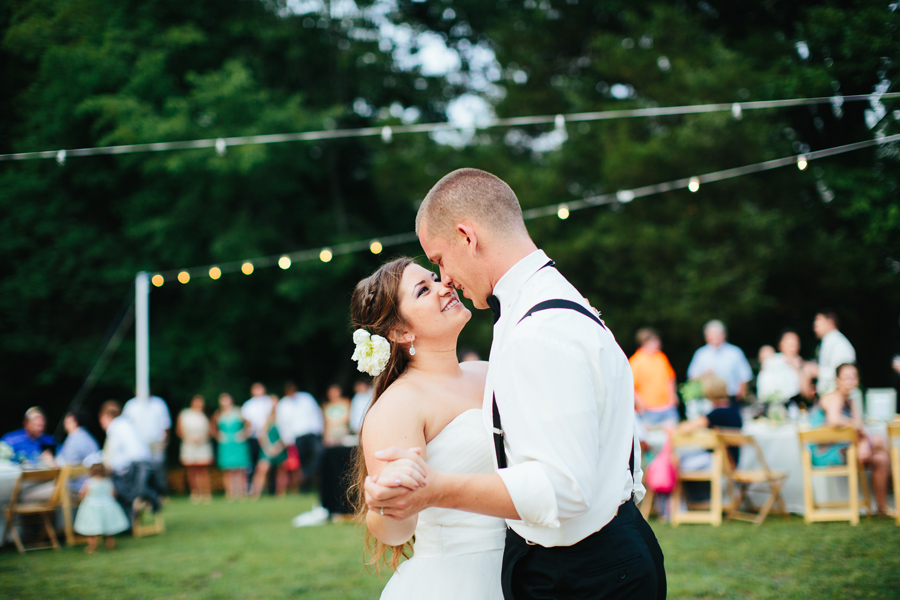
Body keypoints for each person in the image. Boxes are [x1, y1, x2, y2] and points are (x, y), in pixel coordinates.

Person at [367, 168, 664, 599]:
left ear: (468, 237)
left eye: (438, 262)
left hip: (589, 570)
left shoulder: (536, 330)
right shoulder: (537, 307)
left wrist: (438, 489)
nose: (445, 280)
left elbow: (563, 489)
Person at [349, 256, 506, 598]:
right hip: (461, 579)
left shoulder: (487, 371)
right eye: (424, 290)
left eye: (435, 278)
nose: (443, 287)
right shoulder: (398, 406)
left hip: (527, 565)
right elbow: (393, 531)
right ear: (401, 332)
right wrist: (385, 504)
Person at [809, 363, 891, 515]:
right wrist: (858, 428)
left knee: (882, 458)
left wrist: (864, 442)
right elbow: (833, 420)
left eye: (854, 376)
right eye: (846, 377)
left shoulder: (850, 401)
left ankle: (882, 508)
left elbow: (859, 429)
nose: (850, 380)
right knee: (880, 440)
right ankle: (895, 485)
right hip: (825, 454)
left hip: (844, 449)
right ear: (837, 380)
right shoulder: (834, 398)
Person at [98, 400, 162, 519]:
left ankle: (125, 522)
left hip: (134, 469)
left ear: (107, 416)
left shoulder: (114, 427)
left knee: (114, 488)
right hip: (145, 466)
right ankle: (149, 496)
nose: (101, 422)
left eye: (101, 419)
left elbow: (114, 456)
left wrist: (108, 467)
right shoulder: (126, 424)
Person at [673, 375, 743, 471]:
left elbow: (685, 428)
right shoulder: (734, 410)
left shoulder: (717, 414)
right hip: (732, 461)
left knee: (677, 461)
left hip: (721, 461)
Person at [686, 320, 753, 400]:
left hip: (731, 398)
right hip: (708, 399)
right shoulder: (701, 354)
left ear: (724, 335)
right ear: (706, 336)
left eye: (717, 334)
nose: (715, 337)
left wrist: (740, 396)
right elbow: (691, 377)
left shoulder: (735, 352)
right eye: (712, 334)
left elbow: (745, 376)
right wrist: (704, 375)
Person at [73, 462, 130, 553]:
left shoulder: (90, 482)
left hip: (92, 507)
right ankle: (110, 545)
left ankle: (92, 547)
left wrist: (81, 497)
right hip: (107, 506)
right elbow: (113, 494)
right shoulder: (108, 481)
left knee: (91, 529)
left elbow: (83, 494)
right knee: (109, 529)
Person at [630, 328, 680, 427]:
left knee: (673, 437)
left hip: (667, 406)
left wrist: (673, 395)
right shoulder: (636, 361)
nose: (658, 343)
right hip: (649, 409)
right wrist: (641, 404)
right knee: (653, 438)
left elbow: (670, 378)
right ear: (645, 342)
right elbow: (631, 386)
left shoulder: (661, 357)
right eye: (655, 340)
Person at [210, 393, 251, 500]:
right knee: (227, 469)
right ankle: (230, 493)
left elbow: (249, 424)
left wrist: (244, 434)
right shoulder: (218, 413)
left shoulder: (238, 411)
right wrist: (218, 436)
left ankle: (242, 492)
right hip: (226, 444)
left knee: (240, 468)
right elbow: (212, 427)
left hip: (237, 443)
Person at [122, 391, 171, 473]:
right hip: (137, 444)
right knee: (140, 472)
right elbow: (125, 425)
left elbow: (166, 425)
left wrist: (164, 444)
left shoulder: (159, 403)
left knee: (157, 471)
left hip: (156, 443)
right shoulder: (131, 404)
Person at [176, 395, 213, 504]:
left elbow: (210, 431)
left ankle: (206, 493)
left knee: (203, 469)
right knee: (192, 470)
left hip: (202, 444)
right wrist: (190, 439)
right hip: (189, 444)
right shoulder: (185, 414)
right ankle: (195, 493)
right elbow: (180, 430)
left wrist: (201, 439)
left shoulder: (204, 416)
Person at [809, 310, 856, 396]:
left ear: (830, 322)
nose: (815, 328)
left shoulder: (839, 344)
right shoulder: (825, 344)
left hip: (838, 399)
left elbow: (845, 375)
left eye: (818, 324)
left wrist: (817, 371)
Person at [250, 401, 288, 499]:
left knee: (281, 471)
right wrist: (268, 447)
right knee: (262, 470)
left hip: (281, 448)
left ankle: (280, 494)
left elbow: (287, 436)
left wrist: (279, 447)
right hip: (267, 449)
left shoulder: (282, 419)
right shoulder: (265, 420)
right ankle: (255, 494)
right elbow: (262, 435)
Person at [241, 383, 273, 469]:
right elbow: (246, 420)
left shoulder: (269, 401)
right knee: (254, 459)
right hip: (254, 436)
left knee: (268, 459)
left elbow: (272, 416)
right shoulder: (248, 404)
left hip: (268, 435)